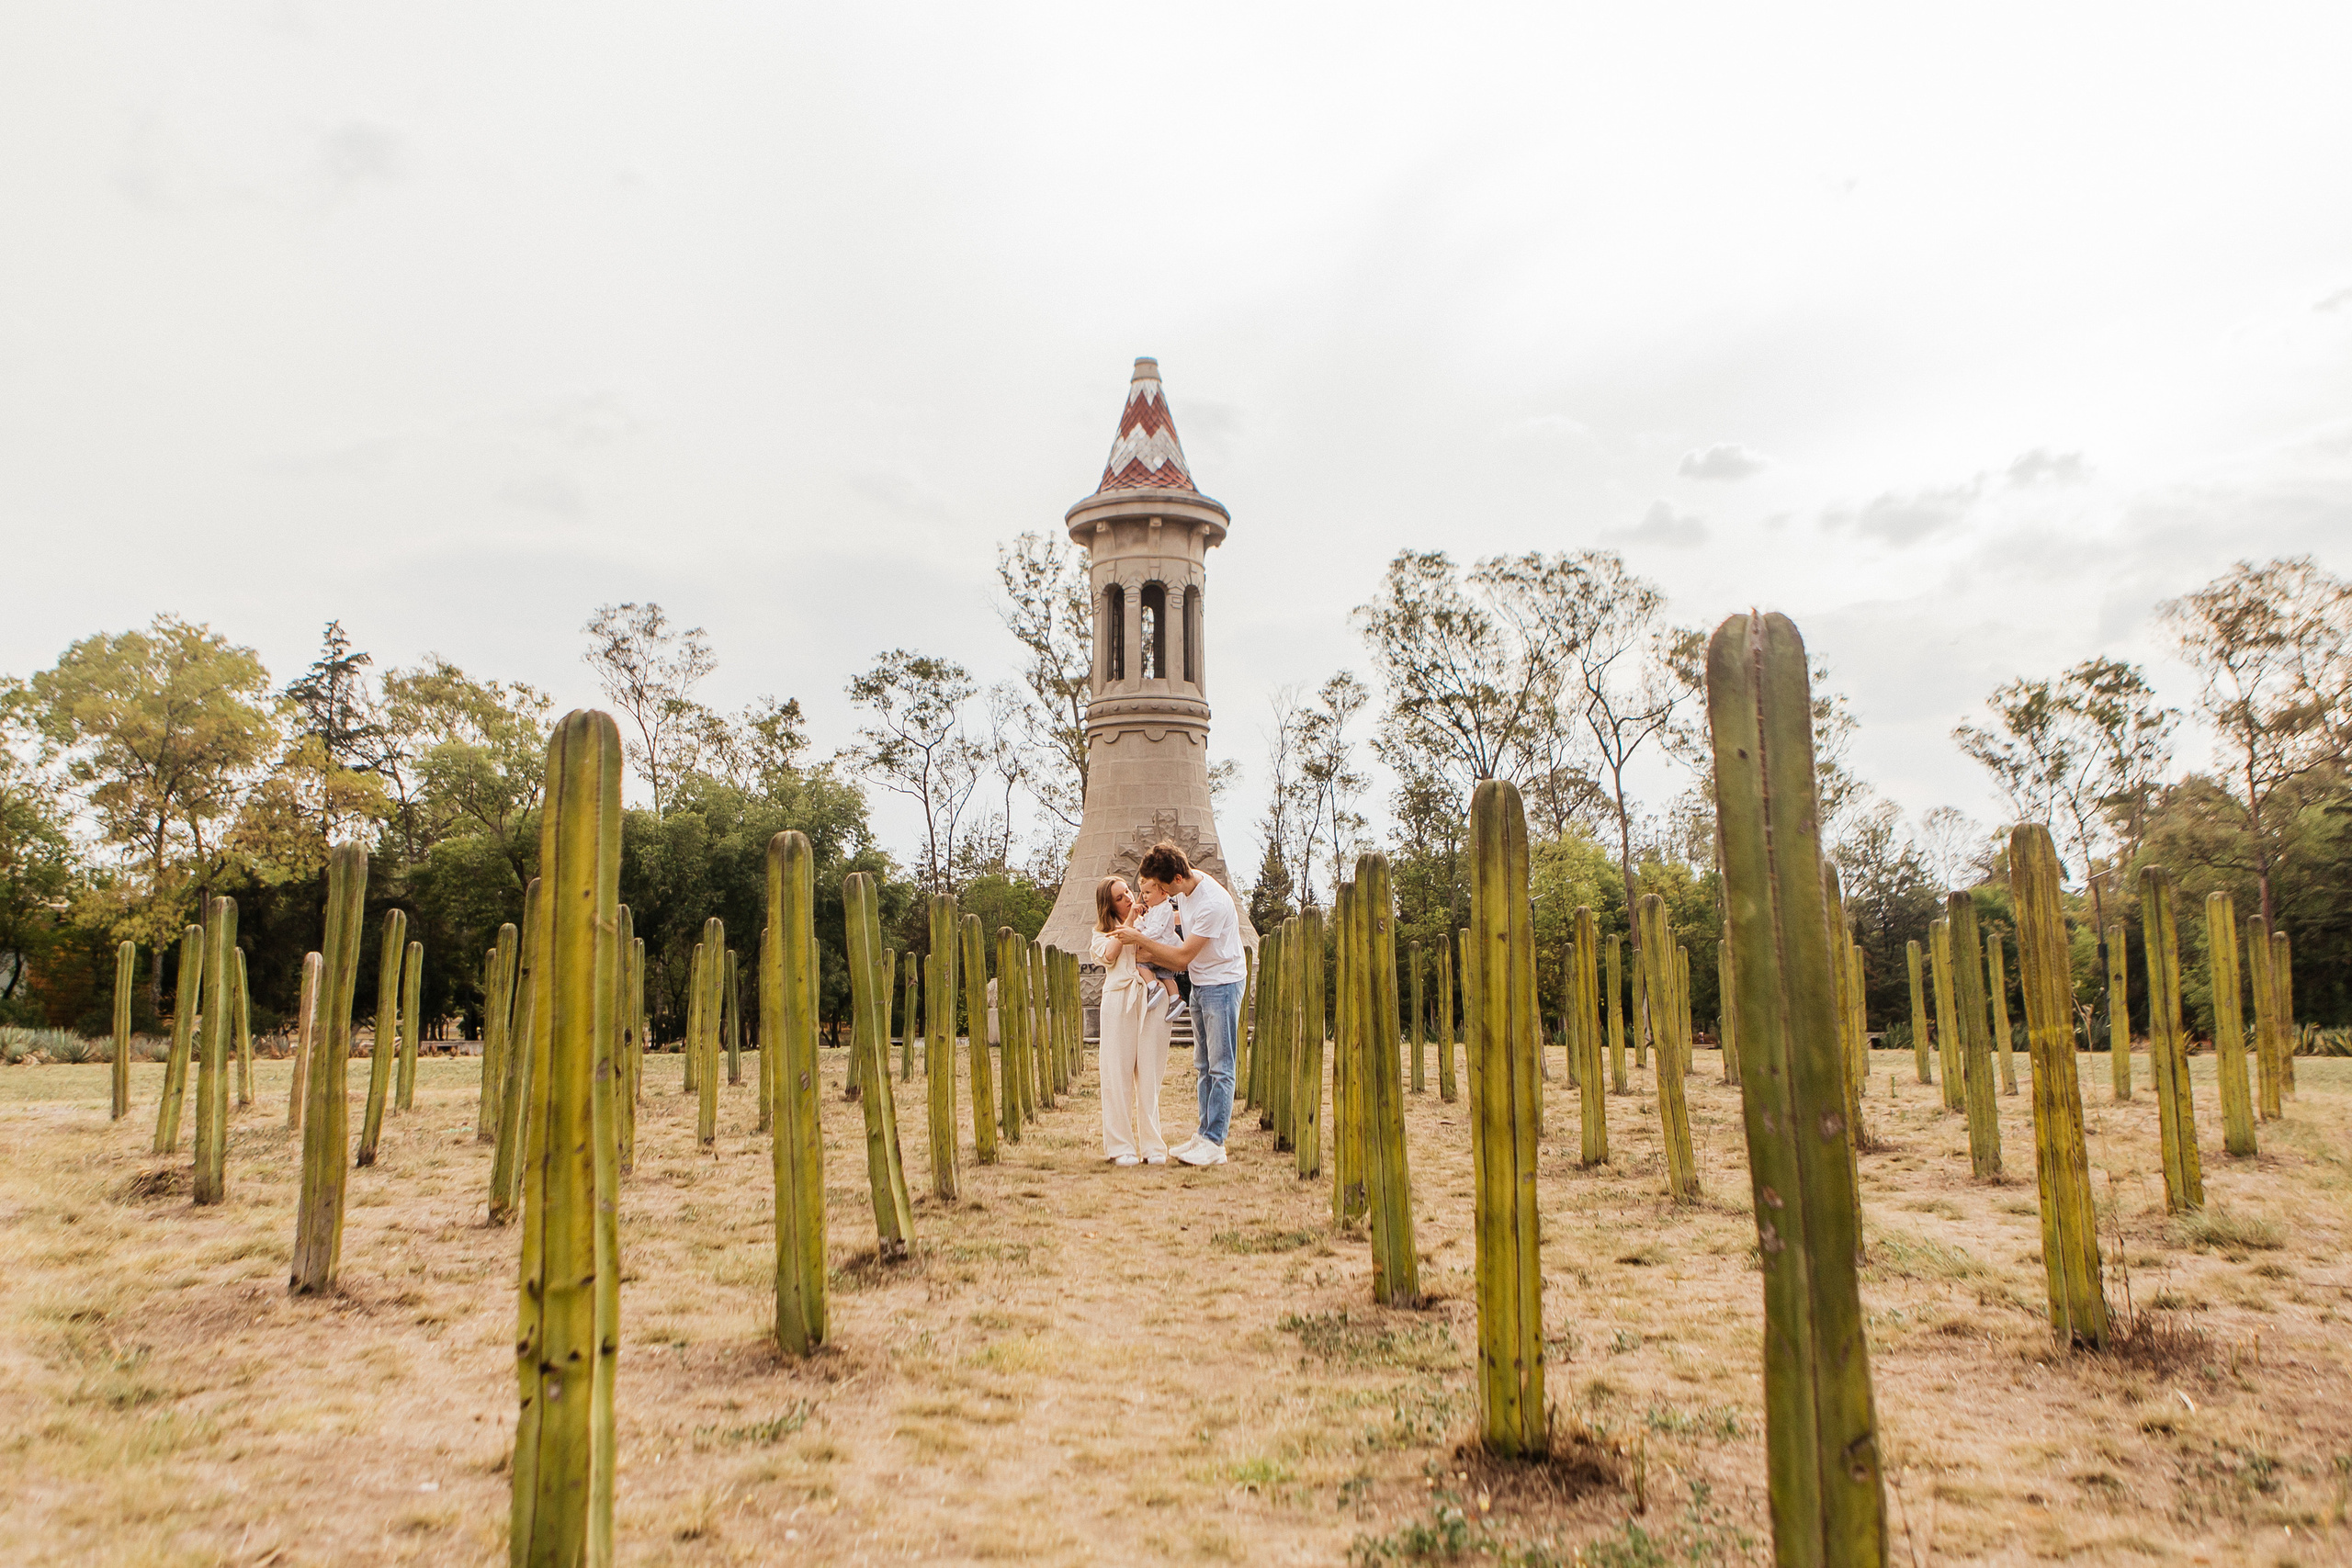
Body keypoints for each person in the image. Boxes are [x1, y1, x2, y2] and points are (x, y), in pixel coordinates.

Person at [1114, 840, 1247, 1167]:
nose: (1156, 891)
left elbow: (1184, 958)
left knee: (1221, 1066)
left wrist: (1141, 940)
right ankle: (1202, 1135)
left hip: (1223, 983)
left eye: (1159, 886)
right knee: (1202, 1065)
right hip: (1203, 983)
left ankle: (1215, 1143)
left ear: (1175, 877)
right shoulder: (1186, 889)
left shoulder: (1212, 903)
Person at [1089, 876, 1171, 1166]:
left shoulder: (1154, 921)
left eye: (1127, 891)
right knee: (1117, 1073)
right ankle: (1120, 1146)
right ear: (1109, 905)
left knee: (1150, 1074)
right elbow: (1111, 956)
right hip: (1119, 1001)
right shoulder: (1102, 934)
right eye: (1120, 896)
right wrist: (1132, 925)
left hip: (1152, 1000)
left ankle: (1153, 1146)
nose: (1128, 898)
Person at [1130, 876, 1186, 1022]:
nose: (1144, 897)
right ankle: (1175, 999)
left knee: (1141, 964)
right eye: (1143, 893)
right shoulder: (1154, 910)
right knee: (1165, 974)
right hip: (1161, 947)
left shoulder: (1164, 908)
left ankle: (1152, 987)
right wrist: (1138, 928)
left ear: (1163, 893)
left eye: (1148, 892)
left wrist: (1140, 937)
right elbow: (1146, 924)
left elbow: (1156, 930)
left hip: (1162, 947)